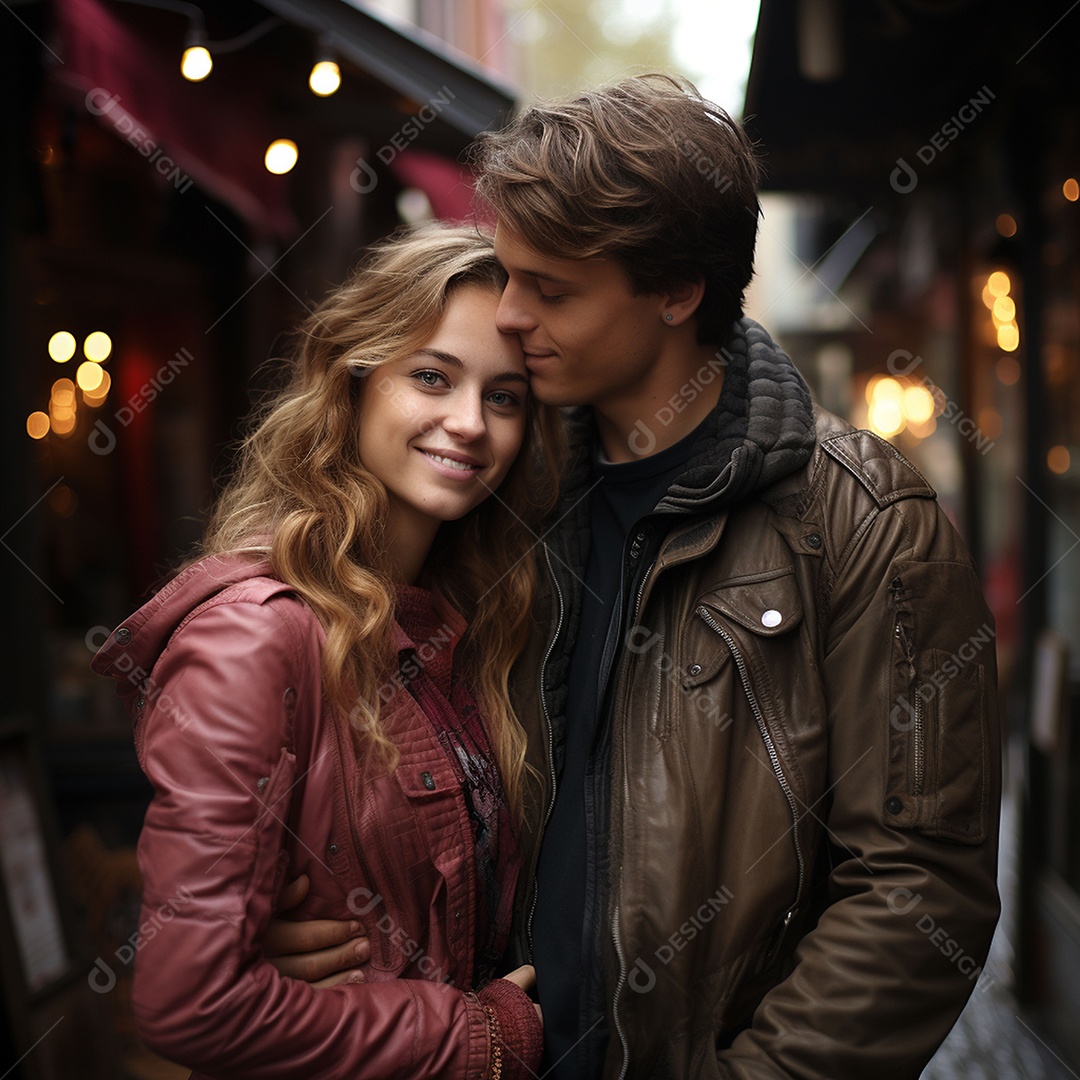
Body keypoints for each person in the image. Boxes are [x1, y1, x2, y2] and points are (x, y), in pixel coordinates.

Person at [269, 75, 1001, 1079]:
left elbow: (920, 888)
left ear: (675, 291)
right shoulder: (490, 482)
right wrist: (297, 921)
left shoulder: (861, 518)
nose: (511, 316)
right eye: (508, 274)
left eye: (552, 289)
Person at [91, 224, 561, 1079]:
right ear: (356, 381)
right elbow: (188, 1003)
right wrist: (474, 1040)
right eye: (431, 376)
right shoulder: (256, 635)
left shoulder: (463, 627)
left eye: (505, 396)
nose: (468, 423)